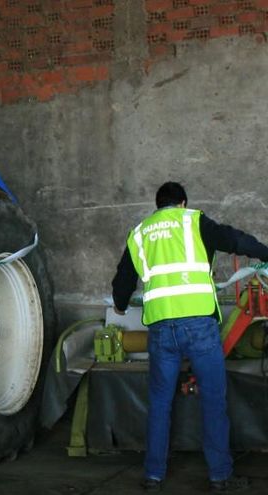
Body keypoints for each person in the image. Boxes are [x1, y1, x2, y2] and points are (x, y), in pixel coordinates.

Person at [112, 182, 268, 493]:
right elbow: (236, 240)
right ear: (183, 202)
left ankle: (153, 476)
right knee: (212, 400)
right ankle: (219, 477)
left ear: (158, 205)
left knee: (159, 403)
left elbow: (123, 280)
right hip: (199, 326)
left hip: (160, 330)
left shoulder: (140, 233)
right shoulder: (194, 220)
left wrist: (118, 305)